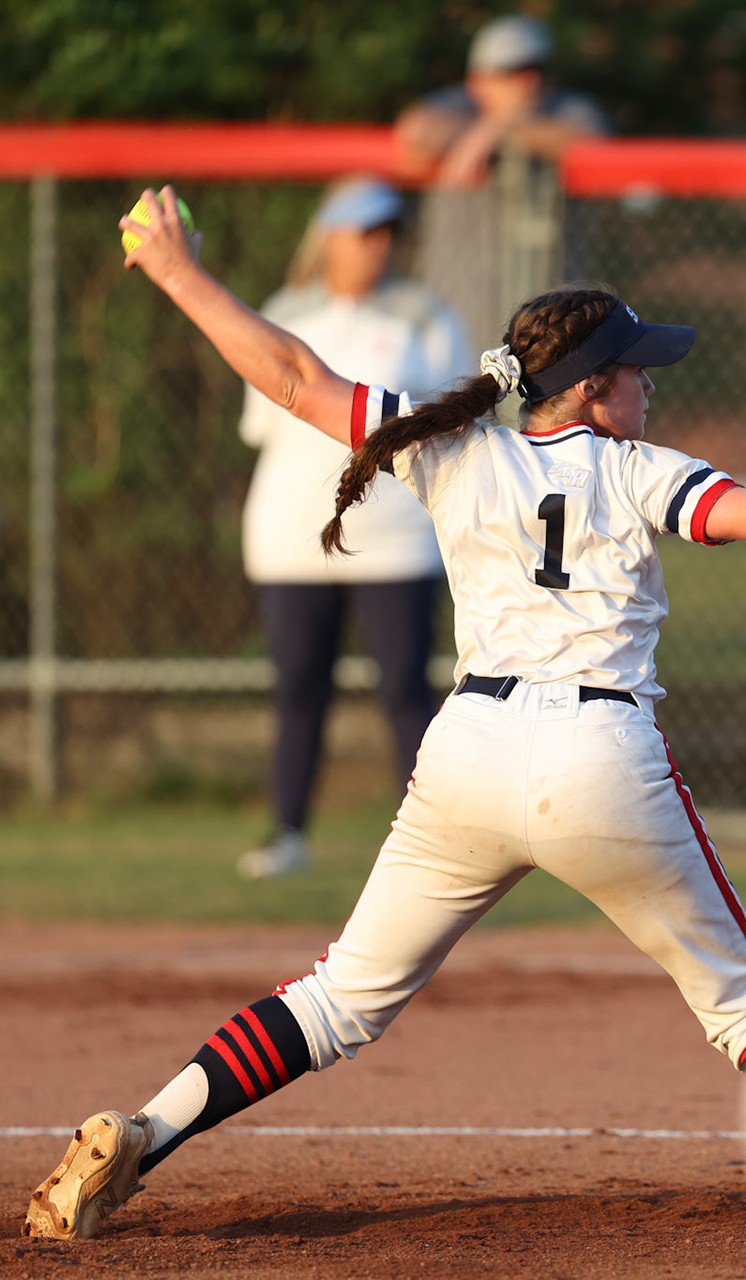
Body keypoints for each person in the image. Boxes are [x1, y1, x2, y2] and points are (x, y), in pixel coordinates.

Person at [22, 186, 746, 1241]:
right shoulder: (634, 472)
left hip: (470, 756)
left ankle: (144, 1127)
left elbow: (294, 376)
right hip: (599, 756)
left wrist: (177, 274)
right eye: (634, 372)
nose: (648, 388)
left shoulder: (453, 450)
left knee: (337, 998)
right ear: (587, 392)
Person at [237, 177, 472, 879]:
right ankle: (288, 837)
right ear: (329, 238)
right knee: (300, 687)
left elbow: (452, 422)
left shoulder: (423, 316)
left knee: (405, 688)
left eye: (386, 233)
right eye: (364, 233)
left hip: (394, 538)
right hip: (290, 537)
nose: (378, 246)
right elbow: (259, 428)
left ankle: (439, 847)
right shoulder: (287, 312)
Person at [394, 15, 609, 364]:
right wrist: (493, 123)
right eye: (512, 71)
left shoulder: (565, 109)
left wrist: (501, 126)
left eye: (537, 69)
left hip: (545, 322)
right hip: (456, 312)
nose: (529, 82)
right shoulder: (457, 106)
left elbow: (590, 139)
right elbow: (415, 131)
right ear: (477, 79)